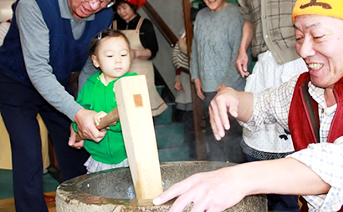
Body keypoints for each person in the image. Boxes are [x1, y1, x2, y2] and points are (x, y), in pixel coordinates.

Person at [153, 0, 343, 211]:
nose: (304, 50)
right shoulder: (302, 88)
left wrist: (239, 178)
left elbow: (335, 163)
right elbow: (260, 104)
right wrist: (231, 97)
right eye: (298, 37)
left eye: (318, 37)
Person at [0, 0, 114, 211]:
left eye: (104, 0)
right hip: (15, 83)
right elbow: (38, 70)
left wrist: (83, 107)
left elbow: (90, 66)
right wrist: (77, 113)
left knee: (78, 147)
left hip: (56, 83)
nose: (93, 5)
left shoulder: (104, 15)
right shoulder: (33, 4)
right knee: (29, 154)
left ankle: (82, 207)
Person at [234, 0, 308, 210]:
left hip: (294, 62)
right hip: (265, 65)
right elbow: (249, 19)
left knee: (293, 143)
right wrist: (242, 50)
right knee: (259, 138)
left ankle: (290, 204)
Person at [72, 29, 136, 173]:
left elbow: (137, 118)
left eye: (124, 54)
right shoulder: (90, 85)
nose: (118, 60)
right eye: (110, 55)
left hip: (128, 157)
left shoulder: (133, 83)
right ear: (96, 60)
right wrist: (83, 127)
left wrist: (110, 121)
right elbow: (78, 114)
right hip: (98, 158)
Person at [190, 0, 247, 162]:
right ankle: (217, 173)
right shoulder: (201, 16)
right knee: (214, 137)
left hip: (231, 89)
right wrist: (196, 76)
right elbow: (195, 48)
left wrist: (227, 84)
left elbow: (240, 52)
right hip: (208, 88)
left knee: (232, 139)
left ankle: (238, 180)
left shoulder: (235, 14)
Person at [112, 0, 167, 117]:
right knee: (125, 107)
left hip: (142, 71)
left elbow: (153, 50)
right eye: (118, 9)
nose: (121, 12)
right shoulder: (115, 24)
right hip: (120, 72)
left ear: (133, 7)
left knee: (142, 107)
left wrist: (136, 53)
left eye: (124, 7)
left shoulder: (145, 24)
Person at [172, 28, 195, 159]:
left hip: (197, 79)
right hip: (185, 77)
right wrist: (177, 77)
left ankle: (194, 151)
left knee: (193, 117)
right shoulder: (183, 30)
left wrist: (184, 48)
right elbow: (178, 59)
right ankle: (188, 151)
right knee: (185, 118)